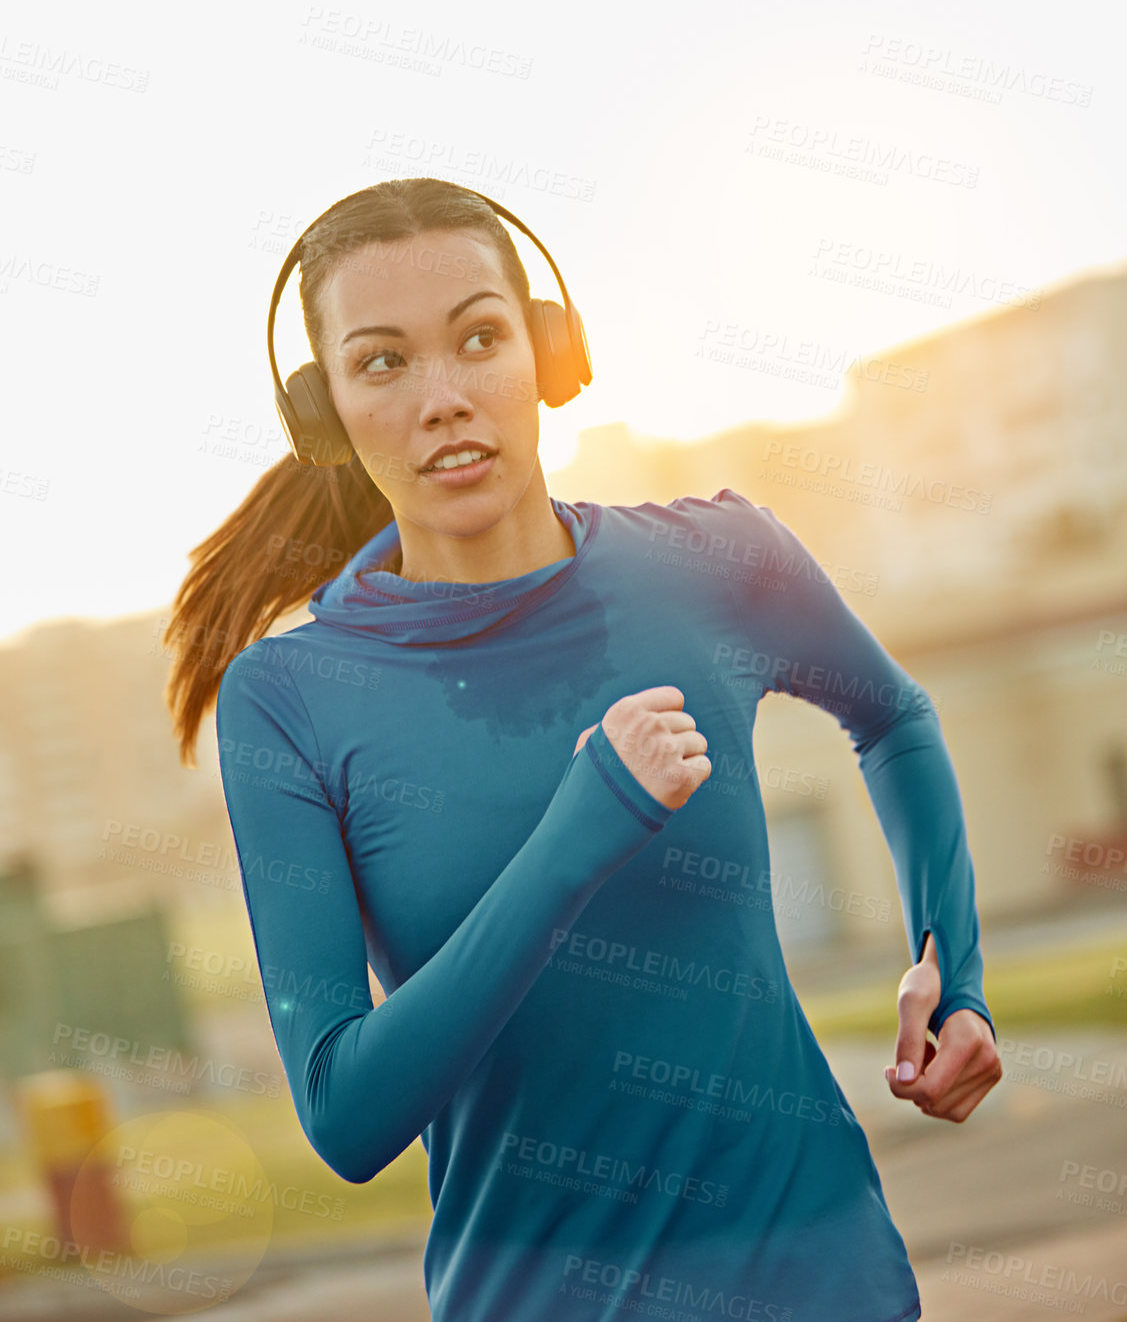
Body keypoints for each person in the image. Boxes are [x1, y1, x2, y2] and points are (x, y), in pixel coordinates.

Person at [164, 177, 1002, 1322]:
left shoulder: (718, 561)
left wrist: (951, 972)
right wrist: (580, 829)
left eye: (478, 338)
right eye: (382, 362)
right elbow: (345, 1117)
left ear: (547, 353)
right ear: (324, 414)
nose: (446, 397)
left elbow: (892, 717)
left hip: (827, 1280)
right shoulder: (291, 699)